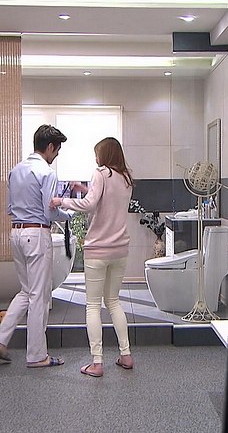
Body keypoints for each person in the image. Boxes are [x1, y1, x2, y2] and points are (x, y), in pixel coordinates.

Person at [0, 124, 72, 368]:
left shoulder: (15, 170)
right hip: (36, 235)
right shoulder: (46, 172)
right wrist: (68, 214)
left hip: (16, 233)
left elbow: (9, 208)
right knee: (39, 296)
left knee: (26, 291)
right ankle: (37, 356)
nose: (57, 155)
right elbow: (49, 212)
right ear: (50, 147)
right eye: (57, 150)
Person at [49, 137, 134, 378]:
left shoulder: (100, 173)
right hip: (120, 249)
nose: (96, 158)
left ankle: (97, 362)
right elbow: (106, 202)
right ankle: (126, 354)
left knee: (93, 306)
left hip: (98, 249)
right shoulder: (126, 178)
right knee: (114, 302)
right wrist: (85, 189)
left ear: (105, 154)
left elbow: (89, 205)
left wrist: (61, 200)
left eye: (97, 153)